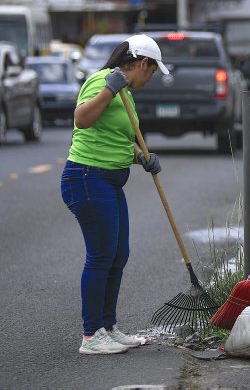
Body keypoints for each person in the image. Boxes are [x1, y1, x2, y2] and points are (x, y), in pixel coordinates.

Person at [61, 34, 167, 355]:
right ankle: (91, 335)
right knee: (101, 255)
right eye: (152, 71)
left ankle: (108, 327)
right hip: (87, 177)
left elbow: (119, 138)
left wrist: (141, 156)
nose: (151, 78)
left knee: (119, 255)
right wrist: (110, 88)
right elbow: (82, 119)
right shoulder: (102, 82)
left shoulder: (126, 93)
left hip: (108, 181)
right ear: (143, 63)